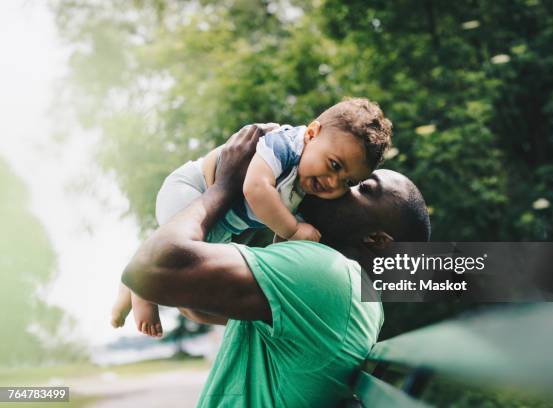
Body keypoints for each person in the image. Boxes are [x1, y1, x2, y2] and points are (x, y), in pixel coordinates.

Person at [121, 124, 430, 407]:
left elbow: (150, 269)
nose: (339, 186)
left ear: (376, 240)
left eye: (360, 186)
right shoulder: (349, 294)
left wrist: (226, 184)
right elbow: (194, 305)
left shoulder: (325, 274)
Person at [111, 98, 392, 337]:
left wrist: (285, 250)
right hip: (193, 190)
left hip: (221, 220)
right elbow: (255, 189)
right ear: (311, 134)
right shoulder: (285, 145)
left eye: (346, 181)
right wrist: (294, 230)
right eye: (334, 165)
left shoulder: (308, 186)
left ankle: (131, 279)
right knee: (174, 254)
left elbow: (281, 236)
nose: (333, 182)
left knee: (197, 267)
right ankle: (144, 294)